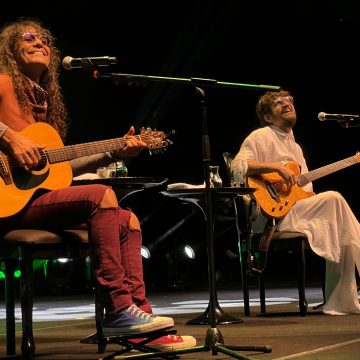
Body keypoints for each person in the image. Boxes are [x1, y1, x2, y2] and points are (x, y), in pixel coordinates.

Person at [0, 18, 196, 350]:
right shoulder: (3, 82)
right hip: (9, 204)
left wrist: (112, 151)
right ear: (9, 49)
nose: (39, 43)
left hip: (34, 200)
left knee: (128, 219)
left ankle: (141, 323)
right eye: (28, 37)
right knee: (102, 195)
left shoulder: (43, 107)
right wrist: (8, 137)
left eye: (45, 39)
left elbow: (63, 167)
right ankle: (119, 309)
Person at [231, 89, 360, 315]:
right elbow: (237, 167)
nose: (287, 104)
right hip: (271, 216)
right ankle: (340, 299)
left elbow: (305, 187)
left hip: (294, 209)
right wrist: (275, 167)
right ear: (268, 117)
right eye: (279, 103)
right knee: (335, 199)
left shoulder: (296, 147)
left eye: (290, 101)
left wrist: (298, 192)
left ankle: (342, 300)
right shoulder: (260, 136)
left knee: (341, 224)